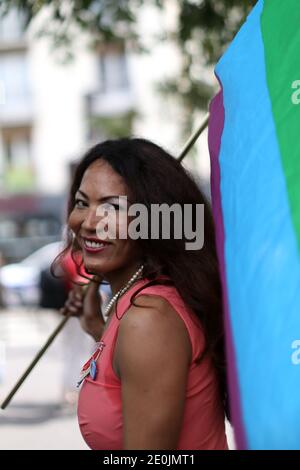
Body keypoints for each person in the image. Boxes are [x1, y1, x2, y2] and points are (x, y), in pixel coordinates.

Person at [58, 137, 228, 450]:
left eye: (113, 208)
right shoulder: (137, 302)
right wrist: (97, 326)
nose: (89, 222)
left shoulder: (149, 319)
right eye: (82, 203)